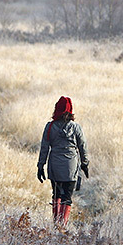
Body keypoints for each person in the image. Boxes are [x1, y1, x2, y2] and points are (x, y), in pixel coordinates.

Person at [37, 96, 89, 229]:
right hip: (71, 166)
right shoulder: (76, 127)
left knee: (56, 194)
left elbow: (44, 147)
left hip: (54, 165)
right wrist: (84, 163)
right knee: (67, 196)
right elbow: (82, 146)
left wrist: (40, 166)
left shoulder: (49, 127)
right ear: (70, 110)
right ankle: (63, 227)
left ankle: (56, 225)